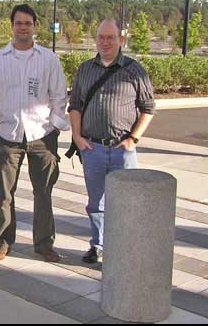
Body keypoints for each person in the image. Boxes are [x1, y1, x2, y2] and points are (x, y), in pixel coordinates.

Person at [0, 4, 69, 263]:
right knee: (4, 193)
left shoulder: (48, 59)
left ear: (34, 26)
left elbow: (58, 94)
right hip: (8, 135)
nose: (23, 27)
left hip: (42, 135)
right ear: (12, 26)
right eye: (18, 23)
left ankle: (44, 244)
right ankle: (3, 241)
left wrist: (54, 124)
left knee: (43, 192)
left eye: (27, 23)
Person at [68, 19, 155, 264]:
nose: (105, 42)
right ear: (95, 40)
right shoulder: (85, 69)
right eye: (101, 37)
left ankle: (124, 249)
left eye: (111, 37)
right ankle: (98, 245)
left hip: (122, 149)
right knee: (95, 203)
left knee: (127, 203)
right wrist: (77, 136)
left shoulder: (134, 70)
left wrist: (133, 139)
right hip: (92, 148)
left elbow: (148, 108)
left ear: (121, 40)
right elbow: (74, 105)